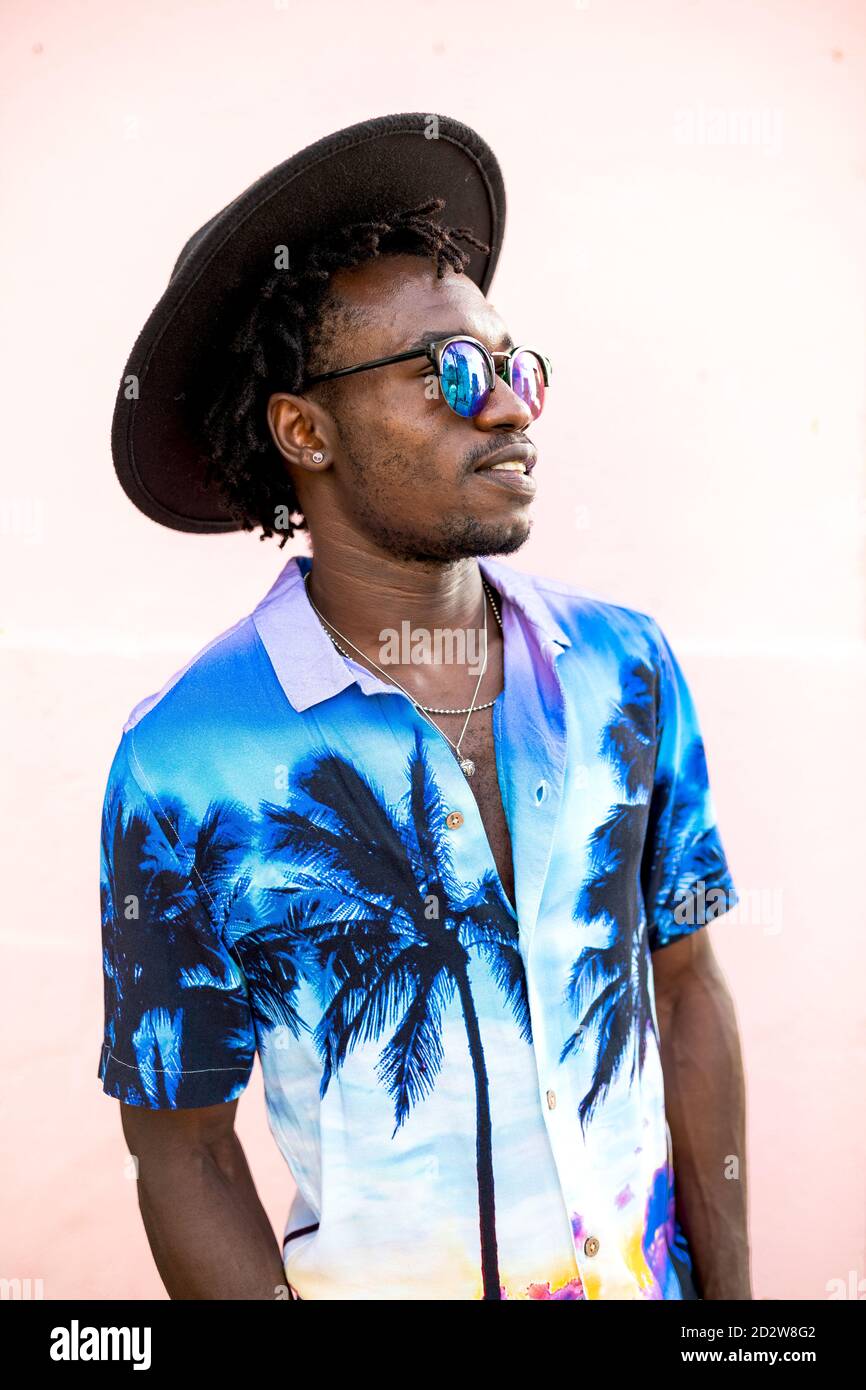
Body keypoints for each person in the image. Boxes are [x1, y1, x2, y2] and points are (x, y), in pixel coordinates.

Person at [98, 113, 750, 1301]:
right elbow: (181, 1147)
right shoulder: (185, 762)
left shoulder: (625, 669)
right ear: (305, 430)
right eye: (451, 371)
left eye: (514, 365)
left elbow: (686, 984)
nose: (508, 408)